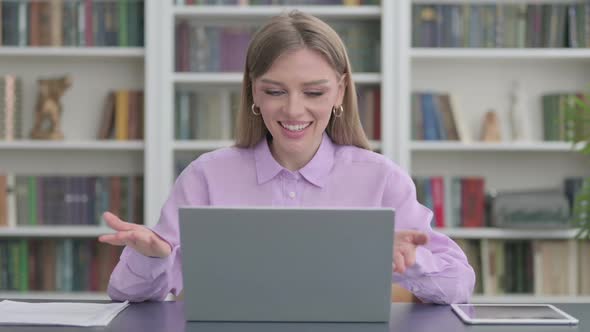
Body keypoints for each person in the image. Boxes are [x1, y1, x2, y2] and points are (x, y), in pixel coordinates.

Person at [99, 10, 475, 304]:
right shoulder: (206, 176)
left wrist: (407, 260)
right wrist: (152, 257)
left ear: (340, 92)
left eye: (313, 92)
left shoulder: (381, 179)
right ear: (254, 94)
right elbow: (127, 295)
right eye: (276, 91)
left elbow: (459, 284)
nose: (294, 110)